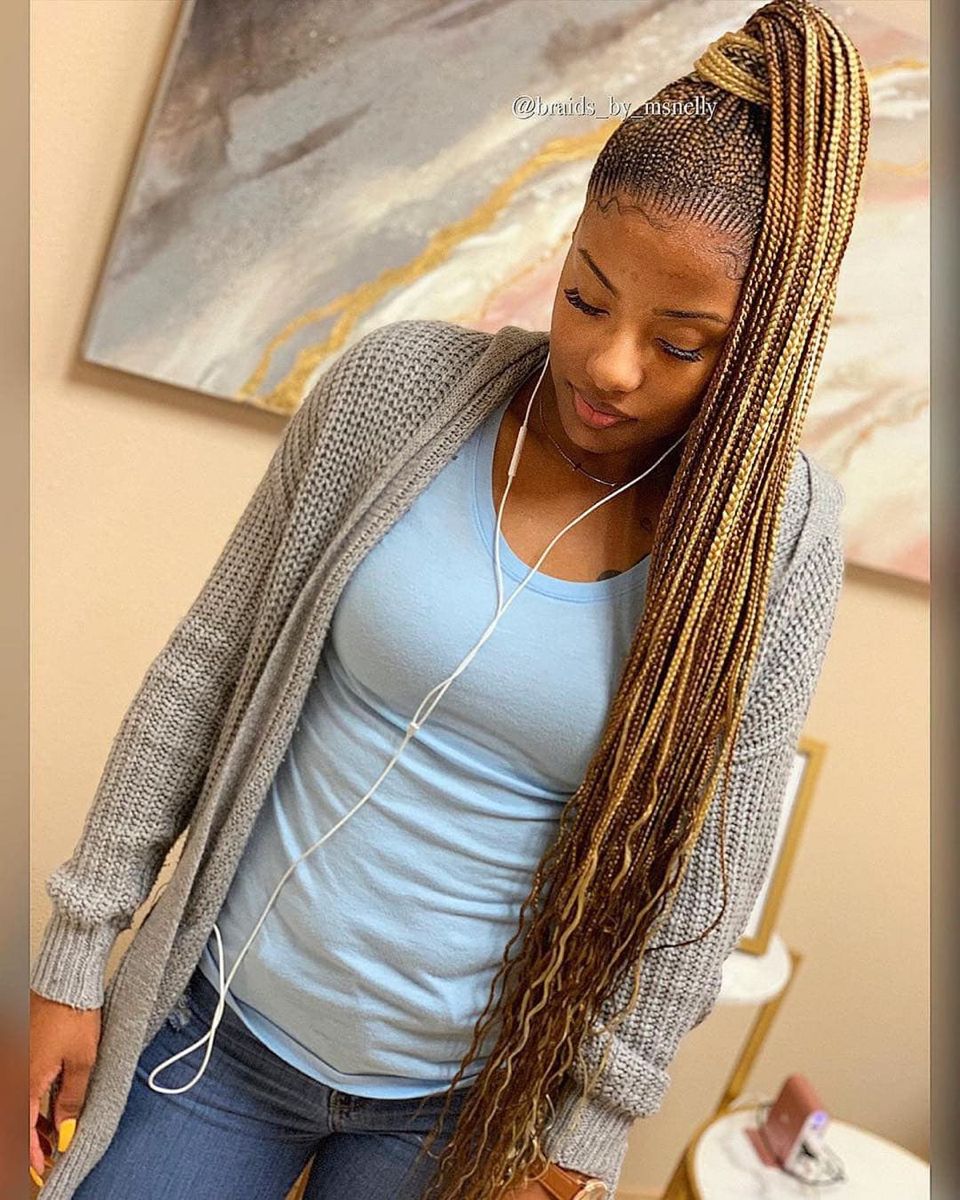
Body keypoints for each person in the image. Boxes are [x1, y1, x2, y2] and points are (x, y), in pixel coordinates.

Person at [28, 2, 870, 1198]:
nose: (610, 363)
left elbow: (708, 871)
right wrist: (75, 954)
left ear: (767, 348)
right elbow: (204, 667)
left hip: (465, 1111)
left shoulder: (775, 542)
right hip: (217, 1034)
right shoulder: (395, 392)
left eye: (682, 343)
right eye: (586, 297)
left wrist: (579, 1141)